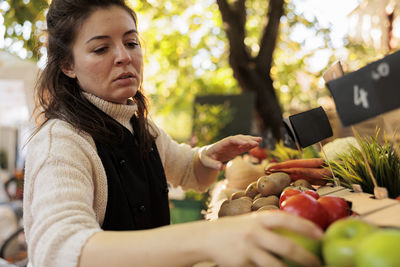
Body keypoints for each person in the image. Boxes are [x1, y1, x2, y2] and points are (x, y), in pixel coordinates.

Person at [23, 0, 323, 266]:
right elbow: (58, 250)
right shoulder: (60, 143)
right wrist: (206, 238)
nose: (124, 57)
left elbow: (188, 172)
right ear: (67, 64)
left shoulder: (141, 126)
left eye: (131, 42)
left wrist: (208, 156)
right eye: (101, 48)